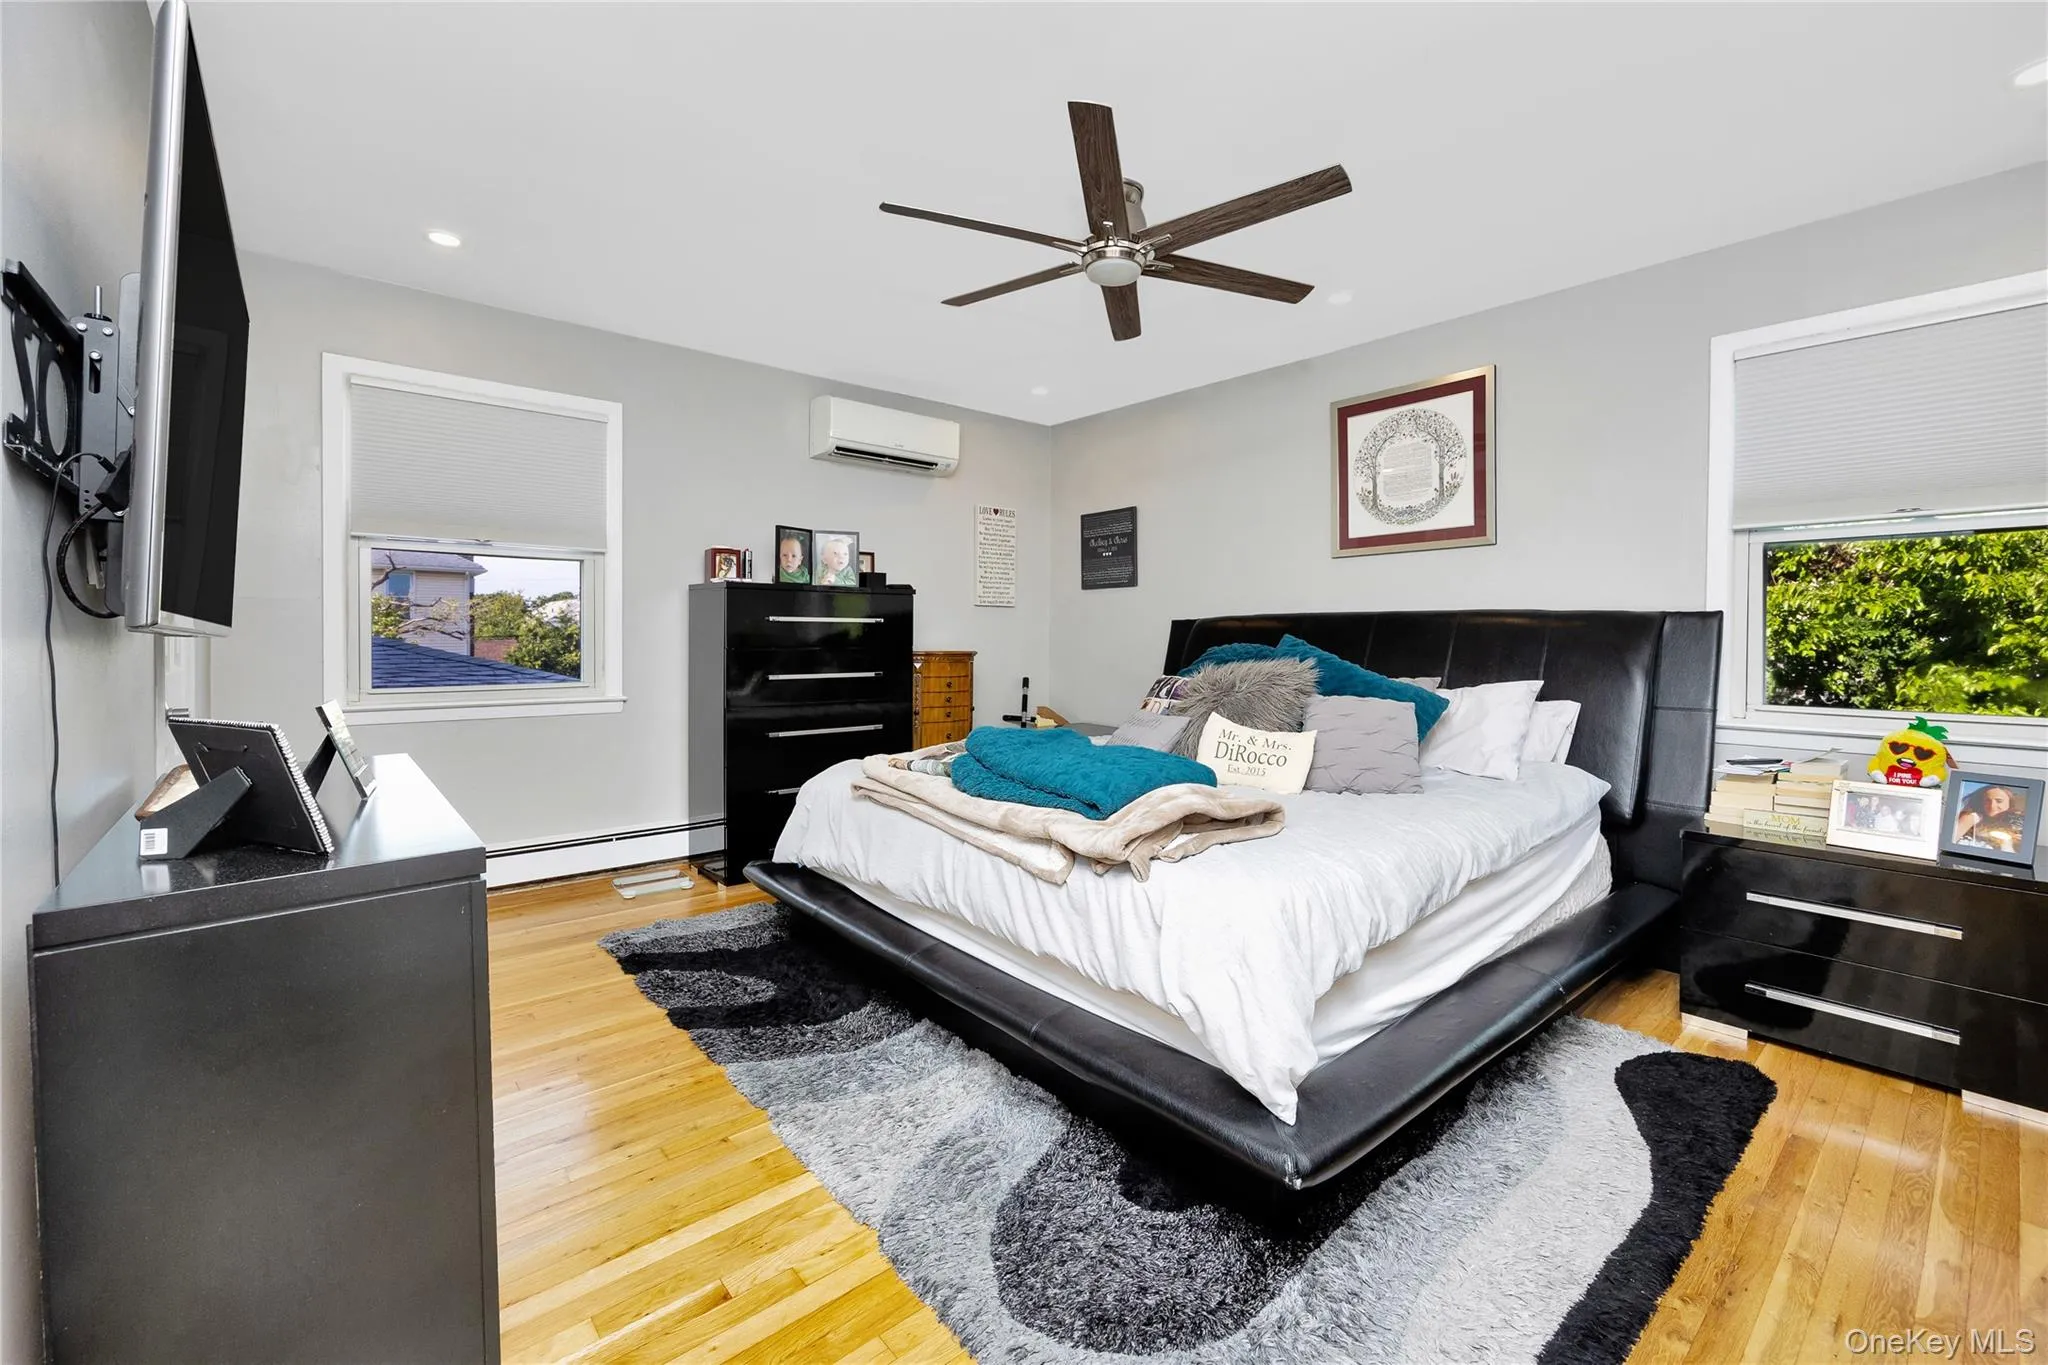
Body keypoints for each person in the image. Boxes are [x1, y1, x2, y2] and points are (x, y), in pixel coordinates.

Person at [1954, 784, 2026, 853]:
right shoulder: (1973, 817)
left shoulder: (2017, 824)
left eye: (1999, 801)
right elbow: (1948, 842)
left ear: (2009, 803)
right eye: (1987, 801)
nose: (1992, 806)